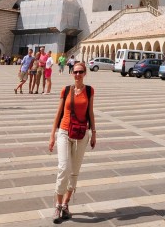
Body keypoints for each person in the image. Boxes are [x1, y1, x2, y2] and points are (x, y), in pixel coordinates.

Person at [49, 61, 97, 224]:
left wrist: (94, 133)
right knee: (63, 168)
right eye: (75, 72)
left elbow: (90, 112)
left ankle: (65, 204)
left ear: (85, 73)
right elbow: (58, 112)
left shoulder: (90, 91)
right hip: (64, 131)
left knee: (74, 171)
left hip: (81, 133)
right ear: (71, 73)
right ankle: (57, 204)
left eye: (80, 72)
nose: (77, 74)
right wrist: (52, 134)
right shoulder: (66, 90)